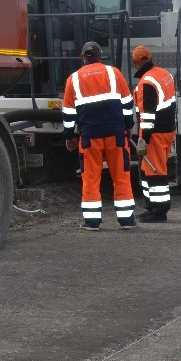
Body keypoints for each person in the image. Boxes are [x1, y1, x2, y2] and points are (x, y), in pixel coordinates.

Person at [62, 41, 137, 230]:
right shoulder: (114, 73)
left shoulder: (74, 79)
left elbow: (69, 113)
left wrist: (69, 136)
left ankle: (92, 222)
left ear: (82, 57)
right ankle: (127, 221)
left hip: (89, 137)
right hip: (116, 135)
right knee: (121, 176)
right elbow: (128, 104)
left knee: (91, 178)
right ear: (100, 56)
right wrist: (128, 126)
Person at [131, 45, 176, 222]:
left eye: (134, 61)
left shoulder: (147, 82)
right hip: (167, 129)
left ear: (139, 62)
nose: (134, 64)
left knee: (155, 172)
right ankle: (151, 206)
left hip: (155, 134)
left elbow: (148, 115)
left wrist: (144, 139)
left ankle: (159, 211)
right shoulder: (164, 74)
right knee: (147, 170)